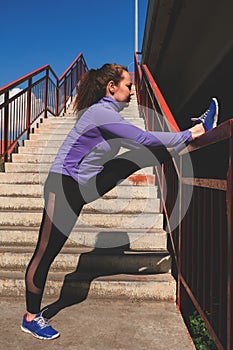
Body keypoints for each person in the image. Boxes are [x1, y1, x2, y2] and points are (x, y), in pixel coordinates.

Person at [21, 63, 219, 340]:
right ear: (111, 87)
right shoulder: (101, 113)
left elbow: (138, 144)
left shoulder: (107, 114)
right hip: (64, 187)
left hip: (84, 185)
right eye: (128, 85)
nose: (131, 90)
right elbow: (143, 137)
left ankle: (193, 135)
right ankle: (31, 317)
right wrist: (188, 134)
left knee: (132, 158)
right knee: (46, 252)